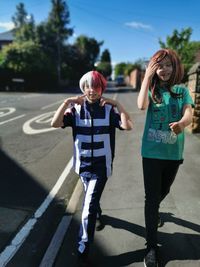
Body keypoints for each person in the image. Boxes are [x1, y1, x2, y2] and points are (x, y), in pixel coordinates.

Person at [51, 70, 133, 266]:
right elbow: (55, 123)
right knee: (91, 198)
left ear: (101, 88)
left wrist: (117, 104)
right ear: (83, 88)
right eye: (87, 86)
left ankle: (83, 247)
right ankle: (98, 212)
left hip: (100, 167)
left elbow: (128, 126)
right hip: (82, 166)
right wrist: (66, 103)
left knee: (87, 208)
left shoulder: (108, 110)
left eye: (95, 86)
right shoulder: (76, 110)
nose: (91, 90)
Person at [137, 49, 194, 267]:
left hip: (173, 154)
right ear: (153, 68)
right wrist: (146, 78)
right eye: (159, 66)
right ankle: (150, 247)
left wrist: (182, 123)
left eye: (168, 65)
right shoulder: (152, 90)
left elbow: (188, 112)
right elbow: (141, 106)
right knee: (151, 199)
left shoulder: (181, 90)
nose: (165, 69)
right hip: (151, 154)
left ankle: (154, 212)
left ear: (176, 66)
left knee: (165, 190)